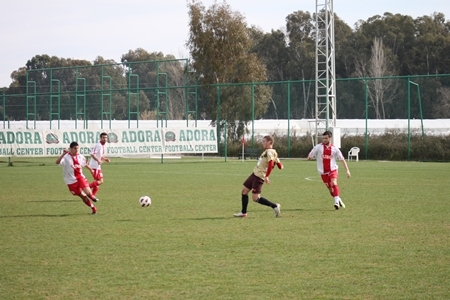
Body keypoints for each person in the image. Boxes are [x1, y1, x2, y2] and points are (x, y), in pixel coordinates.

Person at [234, 135, 284, 218]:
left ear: (269, 142)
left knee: (256, 198)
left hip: (259, 176)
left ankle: (274, 206)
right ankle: (243, 213)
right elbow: (280, 166)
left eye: (264, 141)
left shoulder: (269, 152)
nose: (262, 143)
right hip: (254, 174)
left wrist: (267, 176)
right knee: (244, 191)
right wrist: (279, 165)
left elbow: (271, 163)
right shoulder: (271, 152)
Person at [307, 130, 351, 210]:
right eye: (323, 138)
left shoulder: (335, 149)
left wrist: (347, 170)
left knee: (334, 182)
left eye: (326, 138)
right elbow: (311, 154)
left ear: (330, 138)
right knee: (330, 189)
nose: (324, 140)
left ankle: (336, 202)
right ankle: (338, 199)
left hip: (332, 169)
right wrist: (309, 157)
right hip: (323, 172)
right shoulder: (318, 147)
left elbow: (342, 159)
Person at [56, 142, 99, 214]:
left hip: (80, 177)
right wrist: (63, 154)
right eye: (75, 148)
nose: (77, 150)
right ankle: (93, 208)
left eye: (78, 148)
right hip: (70, 181)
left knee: (88, 193)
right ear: (71, 149)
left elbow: (84, 164)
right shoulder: (66, 157)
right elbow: (57, 162)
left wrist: (90, 169)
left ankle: (92, 197)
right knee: (83, 196)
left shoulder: (80, 156)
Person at [88, 132, 110, 198]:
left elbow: (100, 156)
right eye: (103, 138)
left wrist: (105, 159)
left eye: (106, 138)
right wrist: (98, 160)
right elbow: (92, 154)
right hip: (94, 166)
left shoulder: (102, 146)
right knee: (100, 181)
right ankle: (85, 188)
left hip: (97, 167)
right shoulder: (98, 145)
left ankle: (92, 196)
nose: (105, 139)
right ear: (100, 138)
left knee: (97, 184)